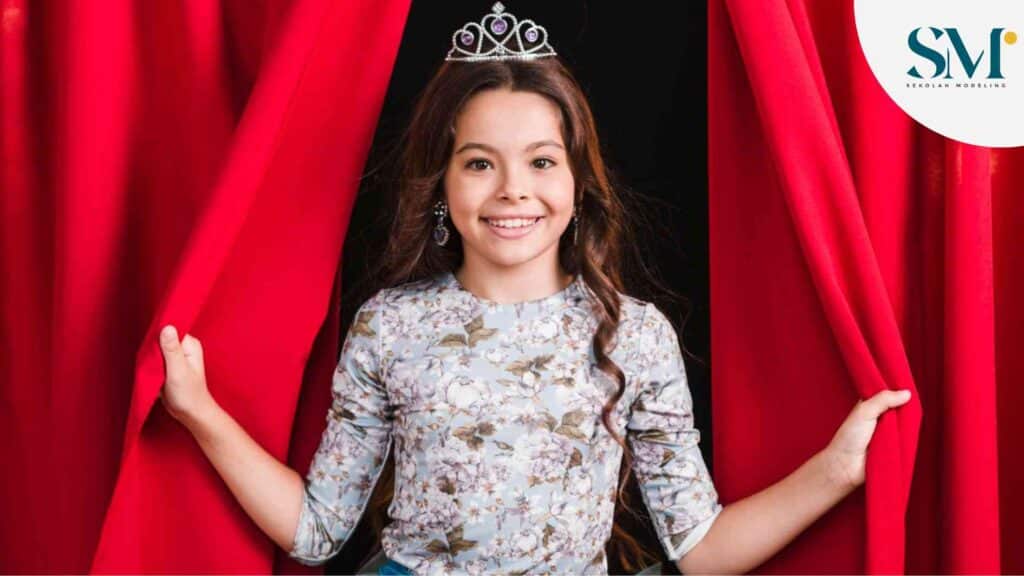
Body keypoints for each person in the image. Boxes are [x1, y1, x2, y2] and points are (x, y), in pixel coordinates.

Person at [156, 3, 913, 574]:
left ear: (580, 183)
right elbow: (318, 529)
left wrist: (836, 472)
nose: (513, 190)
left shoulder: (634, 335)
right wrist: (199, 413)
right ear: (441, 186)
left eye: (543, 162)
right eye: (480, 163)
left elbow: (701, 547)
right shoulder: (389, 327)